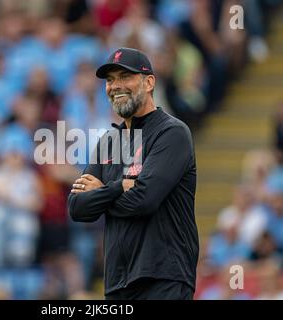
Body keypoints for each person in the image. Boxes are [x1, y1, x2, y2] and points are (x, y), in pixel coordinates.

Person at [67, 47, 199, 300]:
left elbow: (144, 200)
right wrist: (119, 187)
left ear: (149, 82)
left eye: (124, 77)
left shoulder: (172, 133)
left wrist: (103, 194)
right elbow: (78, 207)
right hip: (118, 282)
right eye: (110, 80)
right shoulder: (108, 142)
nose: (115, 86)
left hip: (164, 277)